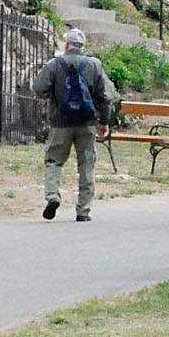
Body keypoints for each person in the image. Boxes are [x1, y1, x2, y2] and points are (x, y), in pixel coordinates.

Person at [32, 28, 118, 223]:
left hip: (60, 122)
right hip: (87, 123)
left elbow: (38, 89)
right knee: (86, 164)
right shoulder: (95, 65)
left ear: (67, 44)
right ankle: (83, 210)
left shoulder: (54, 64)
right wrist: (104, 122)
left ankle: (53, 196)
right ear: (82, 46)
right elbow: (106, 97)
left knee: (54, 161)